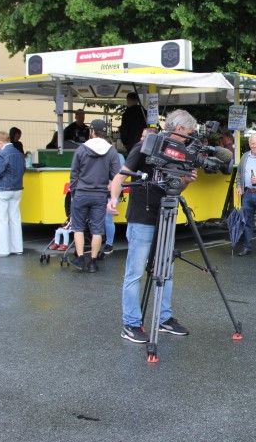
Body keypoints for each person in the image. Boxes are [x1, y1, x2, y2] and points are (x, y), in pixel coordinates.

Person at [108, 109, 197, 343]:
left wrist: (186, 180)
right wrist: (114, 199)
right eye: (189, 133)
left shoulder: (180, 153)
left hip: (166, 216)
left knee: (166, 271)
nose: (190, 138)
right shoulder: (146, 145)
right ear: (178, 129)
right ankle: (131, 323)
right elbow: (121, 176)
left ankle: (164, 318)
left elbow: (177, 187)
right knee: (135, 273)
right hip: (141, 218)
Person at [68, 119, 121, 273]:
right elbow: (117, 175)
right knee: (97, 229)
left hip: (82, 193)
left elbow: (74, 174)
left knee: (78, 227)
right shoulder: (111, 151)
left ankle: (79, 258)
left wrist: (73, 193)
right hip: (100, 195)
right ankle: (92, 261)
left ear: (92, 131)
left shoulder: (81, 149)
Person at [0, 131, 25, 257]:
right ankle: (17, 247)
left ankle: (3, 250)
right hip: (17, 188)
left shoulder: (2, 154)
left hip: (2, 189)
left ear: (0, 141)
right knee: (15, 218)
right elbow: (23, 170)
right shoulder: (18, 153)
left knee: (2, 220)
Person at [103, 134, 125, 255]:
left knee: (107, 218)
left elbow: (119, 174)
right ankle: (104, 241)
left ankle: (109, 243)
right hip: (105, 189)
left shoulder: (118, 156)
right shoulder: (117, 156)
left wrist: (112, 184)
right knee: (105, 218)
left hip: (112, 190)